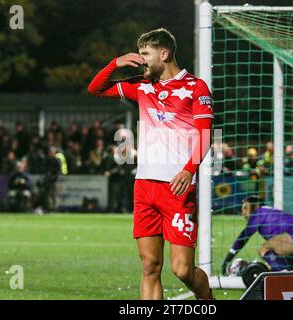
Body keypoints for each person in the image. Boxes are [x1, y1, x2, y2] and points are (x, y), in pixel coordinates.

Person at [88, 28, 213, 300]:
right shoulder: (142, 85)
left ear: (164, 54)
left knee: (182, 270)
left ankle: (208, 302)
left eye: (145, 54)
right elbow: (95, 88)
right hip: (144, 187)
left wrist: (189, 170)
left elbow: (205, 134)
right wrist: (115, 63)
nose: (140, 60)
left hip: (177, 188)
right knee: (149, 266)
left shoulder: (195, 87)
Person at [222, 195, 293, 273]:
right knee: (274, 261)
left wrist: (228, 259)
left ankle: (284, 272)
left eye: (246, 208)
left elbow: (243, 236)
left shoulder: (258, 213)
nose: (243, 213)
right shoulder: (271, 212)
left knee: (263, 249)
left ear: (256, 206)